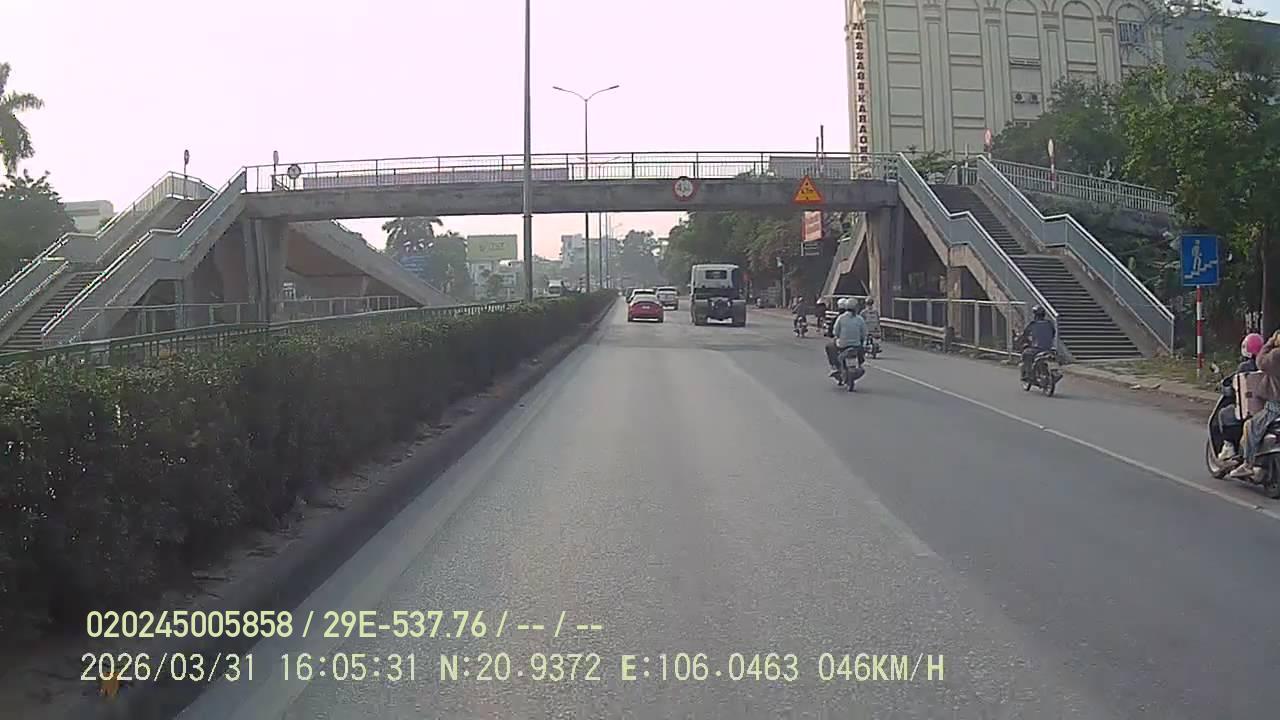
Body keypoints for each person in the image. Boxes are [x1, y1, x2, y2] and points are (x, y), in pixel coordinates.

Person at [1229, 330, 1280, 479]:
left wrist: (1270, 342)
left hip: (1275, 405)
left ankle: (1248, 464)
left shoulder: (1276, 355)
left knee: (1250, 426)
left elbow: (1260, 362)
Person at [1217, 332, 1264, 462]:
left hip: (1250, 410)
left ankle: (1229, 446)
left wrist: (1225, 388)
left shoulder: (1245, 367)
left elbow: (1236, 387)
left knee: (1225, 414)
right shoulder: (1268, 364)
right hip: (1266, 408)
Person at [826, 297, 867, 378]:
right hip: (856, 345)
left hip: (842, 345)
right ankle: (860, 364)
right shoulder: (860, 319)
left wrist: (838, 337)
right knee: (862, 350)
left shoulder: (841, 318)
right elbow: (864, 333)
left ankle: (834, 366)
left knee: (829, 347)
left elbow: (835, 332)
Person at [1019, 306, 1056, 382]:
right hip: (1049, 348)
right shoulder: (1049, 323)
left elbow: (1025, 334)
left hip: (1037, 348)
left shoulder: (1033, 324)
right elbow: (1053, 333)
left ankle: (1028, 375)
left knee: (1026, 354)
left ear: (1035, 314)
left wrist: (1022, 340)